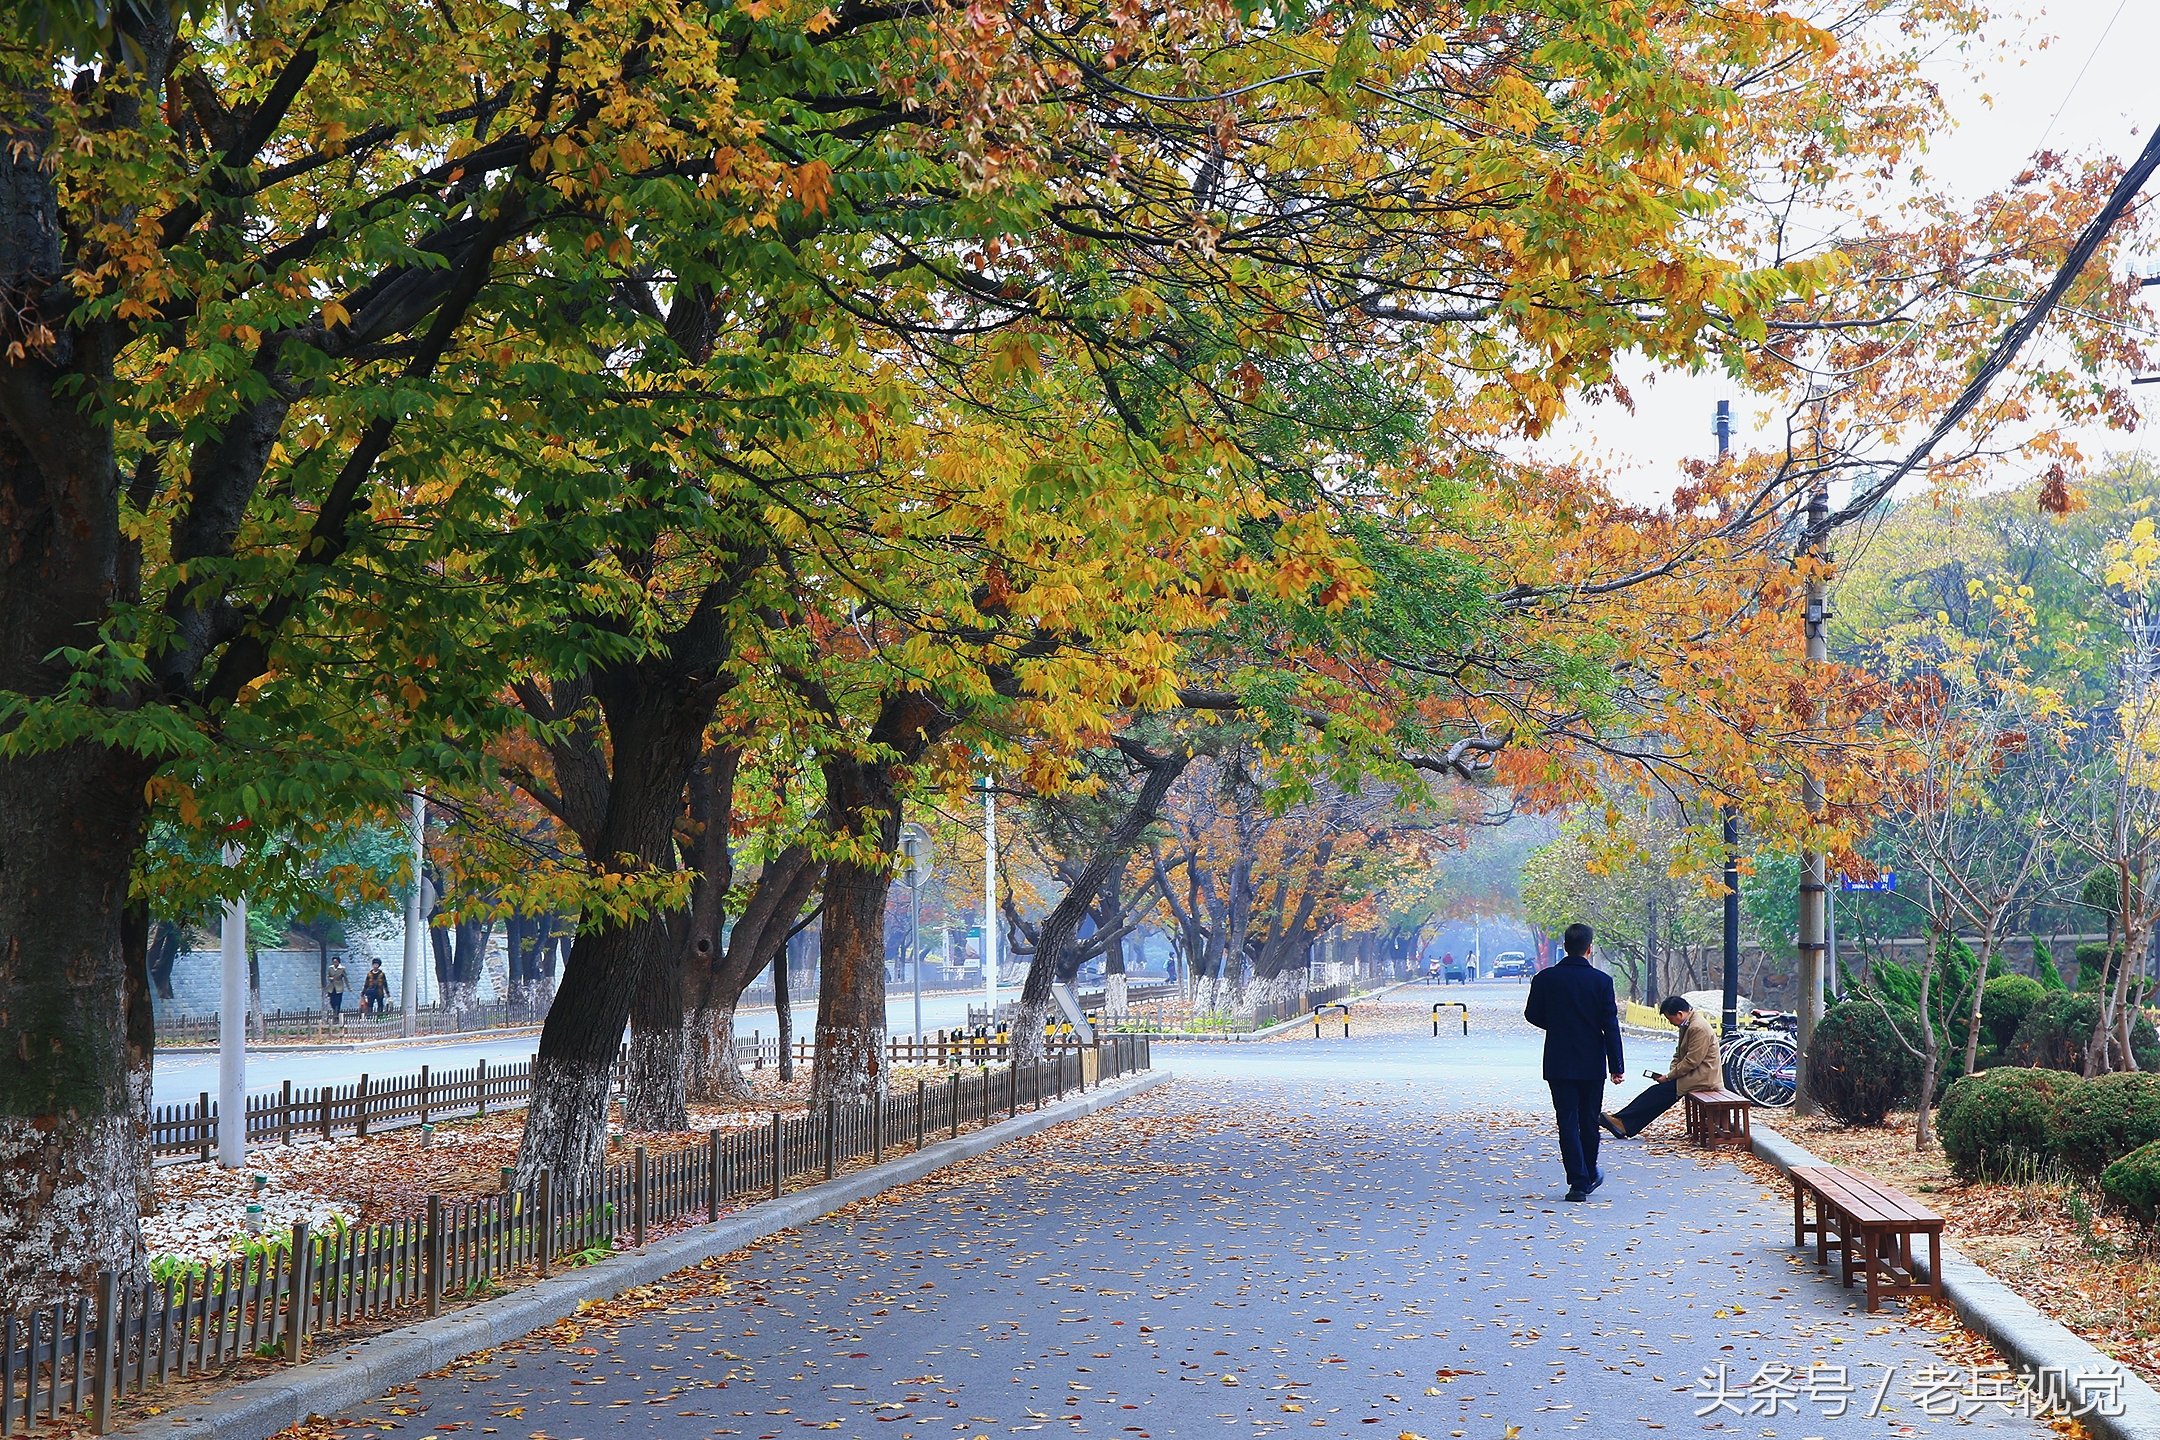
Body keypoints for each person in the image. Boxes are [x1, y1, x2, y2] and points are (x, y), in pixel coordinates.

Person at [1523, 922, 1624, 1201]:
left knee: (1566, 1121)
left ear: (1565, 947)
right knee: (1589, 1121)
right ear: (1589, 949)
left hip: (1558, 1060)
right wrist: (1616, 1066)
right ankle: (1589, 1172)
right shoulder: (1601, 982)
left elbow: (1532, 1014)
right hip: (1592, 1062)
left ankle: (1578, 1182)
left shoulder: (1544, 979)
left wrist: (1557, 1025)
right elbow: (1610, 1025)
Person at [1602, 996, 1721, 1138]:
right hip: (1692, 1075)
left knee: (1657, 1094)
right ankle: (1623, 1123)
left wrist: (1670, 1077)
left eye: (1670, 1019)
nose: (1671, 1023)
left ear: (1680, 1014)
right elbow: (1679, 1054)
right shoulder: (1688, 1024)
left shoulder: (1697, 1027)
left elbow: (1692, 1061)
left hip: (1703, 1077)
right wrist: (1672, 1073)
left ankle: (1623, 1122)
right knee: (1658, 1093)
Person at [325, 955, 350, 1022]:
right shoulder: (330, 968)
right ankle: (335, 1012)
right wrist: (329, 978)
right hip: (331, 987)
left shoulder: (342, 969)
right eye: (334, 962)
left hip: (339, 987)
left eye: (336, 962)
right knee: (332, 1001)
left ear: (338, 962)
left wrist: (348, 987)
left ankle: (336, 1016)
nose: (335, 963)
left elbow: (346, 978)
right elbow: (328, 975)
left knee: (337, 1002)